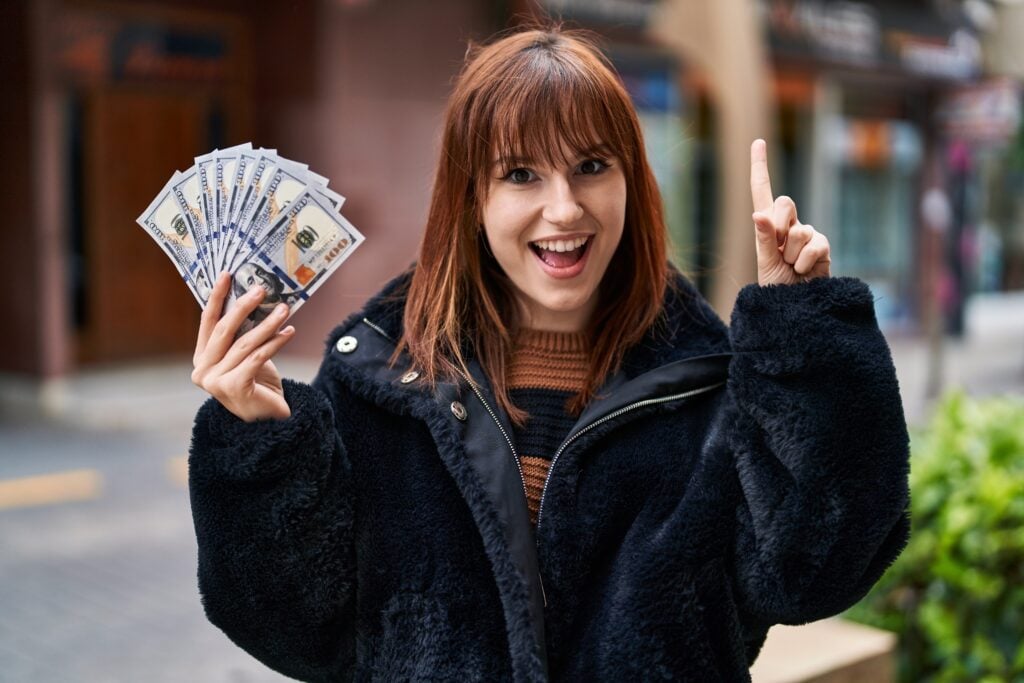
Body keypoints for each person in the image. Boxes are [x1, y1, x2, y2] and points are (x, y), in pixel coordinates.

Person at [188, 28, 909, 682]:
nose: (564, 209)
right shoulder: (381, 378)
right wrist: (261, 444)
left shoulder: (706, 383)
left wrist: (803, 340)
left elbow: (816, 569)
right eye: (521, 174)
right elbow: (300, 632)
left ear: (633, 181)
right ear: (472, 198)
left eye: (592, 165)